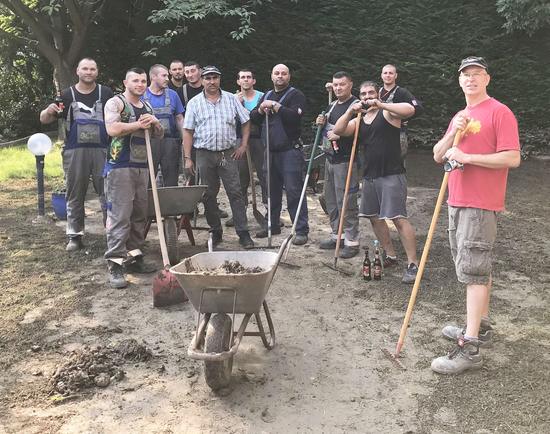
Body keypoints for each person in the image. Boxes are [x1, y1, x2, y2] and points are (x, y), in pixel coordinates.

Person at [431, 57, 520, 374]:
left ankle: (469, 348)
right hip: (457, 200)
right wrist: (451, 135)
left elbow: (512, 157)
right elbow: (438, 155)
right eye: (465, 75)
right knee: (474, 266)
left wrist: (468, 156)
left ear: (487, 79)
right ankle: (479, 325)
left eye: (477, 74)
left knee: (473, 269)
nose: (471, 79)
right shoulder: (461, 115)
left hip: (481, 203)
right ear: (459, 81)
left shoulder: (499, 112)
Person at [333, 81, 419, 283]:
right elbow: (338, 130)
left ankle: (413, 264)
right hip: (370, 175)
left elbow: (410, 109)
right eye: (363, 94)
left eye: (371, 92)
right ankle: (390, 255)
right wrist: (349, 112)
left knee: (398, 218)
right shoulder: (360, 119)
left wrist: (381, 104)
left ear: (378, 94)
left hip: (391, 173)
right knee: (373, 217)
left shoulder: (388, 113)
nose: (367, 96)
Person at [39, 58, 113, 252]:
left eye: (92, 69)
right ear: (78, 72)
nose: (88, 72)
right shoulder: (65, 95)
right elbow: (44, 119)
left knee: (107, 192)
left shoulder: (105, 94)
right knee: (75, 193)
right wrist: (49, 110)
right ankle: (74, 235)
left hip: (102, 151)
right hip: (75, 152)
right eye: (85, 68)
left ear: (97, 72)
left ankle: (112, 233)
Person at [103, 67, 164, 288]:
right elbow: (112, 129)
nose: (140, 84)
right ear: (125, 82)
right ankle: (115, 262)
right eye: (135, 80)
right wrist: (139, 124)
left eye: (143, 81)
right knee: (121, 215)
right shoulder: (116, 103)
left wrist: (155, 122)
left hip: (142, 167)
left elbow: (159, 134)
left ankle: (135, 256)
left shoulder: (146, 106)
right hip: (120, 166)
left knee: (140, 214)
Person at [182, 65, 254, 249]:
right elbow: (188, 131)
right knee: (207, 194)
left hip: (228, 153)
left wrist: (244, 145)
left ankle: (243, 233)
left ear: (219, 79)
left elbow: (246, 122)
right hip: (204, 155)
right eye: (208, 78)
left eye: (215, 78)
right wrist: (188, 157)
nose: (211, 82)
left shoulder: (231, 99)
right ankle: (215, 231)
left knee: (236, 192)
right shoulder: (195, 103)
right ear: (202, 80)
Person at [249, 64, 309, 245]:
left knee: (294, 191)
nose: (280, 76)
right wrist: (260, 110)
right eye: (277, 73)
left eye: (283, 73)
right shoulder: (265, 96)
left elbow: (294, 116)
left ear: (289, 76)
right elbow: (254, 118)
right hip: (270, 151)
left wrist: (276, 106)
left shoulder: (295, 95)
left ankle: (300, 230)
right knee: (271, 191)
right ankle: (272, 224)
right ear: (271, 76)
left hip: (290, 151)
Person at [315, 71, 360, 258]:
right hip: (330, 158)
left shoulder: (356, 105)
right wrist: (319, 122)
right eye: (335, 85)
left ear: (350, 84)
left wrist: (340, 133)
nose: (338, 87)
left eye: (342, 84)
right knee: (330, 199)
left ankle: (352, 240)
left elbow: (356, 127)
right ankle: (337, 235)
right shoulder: (332, 105)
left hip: (346, 159)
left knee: (347, 202)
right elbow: (325, 126)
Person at [226, 68, 266, 227]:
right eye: (242, 77)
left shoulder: (262, 97)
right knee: (240, 177)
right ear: (238, 81)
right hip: (240, 141)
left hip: (259, 140)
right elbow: (228, 120)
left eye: (249, 77)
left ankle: (269, 212)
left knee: (264, 175)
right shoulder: (232, 99)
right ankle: (239, 213)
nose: (246, 80)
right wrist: (238, 105)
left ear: (253, 81)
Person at [143, 64, 185, 186]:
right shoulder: (141, 95)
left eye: (167, 75)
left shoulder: (173, 94)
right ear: (153, 77)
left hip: (170, 143)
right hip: (149, 143)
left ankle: (170, 204)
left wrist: (184, 140)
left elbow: (179, 119)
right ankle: (149, 204)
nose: (168, 78)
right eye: (164, 75)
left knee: (171, 179)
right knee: (147, 180)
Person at [379, 64, 423, 158]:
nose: (388, 75)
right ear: (381, 75)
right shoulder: (376, 92)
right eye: (385, 73)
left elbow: (418, 108)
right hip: (379, 132)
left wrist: (404, 117)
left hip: (398, 134)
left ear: (396, 76)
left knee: (397, 162)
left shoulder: (402, 92)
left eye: (391, 73)